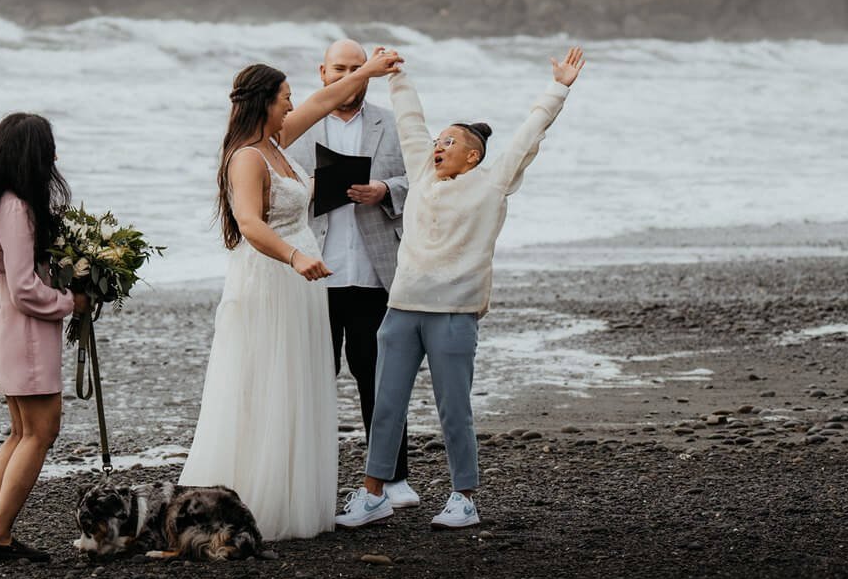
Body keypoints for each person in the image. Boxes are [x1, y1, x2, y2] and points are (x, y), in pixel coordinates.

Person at [334, 45, 586, 532]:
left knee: (454, 409)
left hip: (453, 314)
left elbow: (530, 134)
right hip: (402, 309)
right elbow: (410, 121)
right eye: (439, 140)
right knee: (385, 404)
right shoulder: (423, 174)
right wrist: (396, 75)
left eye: (450, 142)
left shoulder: (492, 185)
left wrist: (558, 88)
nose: (438, 145)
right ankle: (372, 495)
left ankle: (463, 498)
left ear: (473, 156)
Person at [179, 45, 403, 540]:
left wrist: (368, 70)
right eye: (284, 97)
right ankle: (252, 500)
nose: (291, 103)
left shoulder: (279, 142)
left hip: (300, 285)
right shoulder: (246, 157)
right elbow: (248, 223)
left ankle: (293, 493)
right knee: (267, 381)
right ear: (264, 103)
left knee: (299, 381)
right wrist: (296, 256)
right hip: (272, 278)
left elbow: (327, 101)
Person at [286, 39, 415, 506]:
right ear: (322, 72)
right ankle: (311, 480)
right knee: (313, 378)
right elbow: (268, 188)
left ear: (370, 71)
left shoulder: (392, 122)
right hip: (311, 273)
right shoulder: (294, 126)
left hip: (373, 270)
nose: (348, 75)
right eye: (339, 67)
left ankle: (393, 477)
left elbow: (424, 177)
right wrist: (312, 188)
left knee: (378, 376)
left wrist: (385, 189)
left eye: (357, 67)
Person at [0, 112, 90, 564]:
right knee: (41, 430)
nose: (55, 156)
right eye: (49, 149)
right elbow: (23, 287)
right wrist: (69, 302)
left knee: (21, 431)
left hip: (5, 326)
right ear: (32, 156)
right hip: (23, 332)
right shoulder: (18, 207)